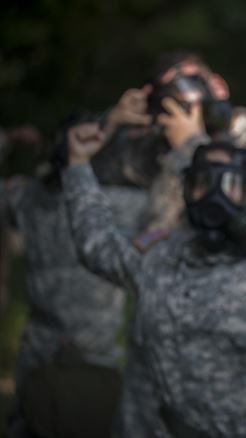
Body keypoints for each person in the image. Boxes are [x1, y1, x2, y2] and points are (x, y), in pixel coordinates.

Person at [62, 122, 246, 437]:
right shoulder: (159, 256)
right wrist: (77, 165)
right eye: (202, 182)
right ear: (185, 190)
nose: (213, 195)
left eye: (228, 183)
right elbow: (96, 245)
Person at [1, 115, 151, 438]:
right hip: (86, 355)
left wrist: (8, 139)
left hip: (52, 353)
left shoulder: (25, 196)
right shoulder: (121, 204)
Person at [100, 52, 246, 231]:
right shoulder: (162, 145)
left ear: (218, 86)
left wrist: (191, 147)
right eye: (168, 93)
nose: (179, 97)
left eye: (187, 82)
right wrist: (112, 124)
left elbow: (242, 225)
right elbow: (87, 177)